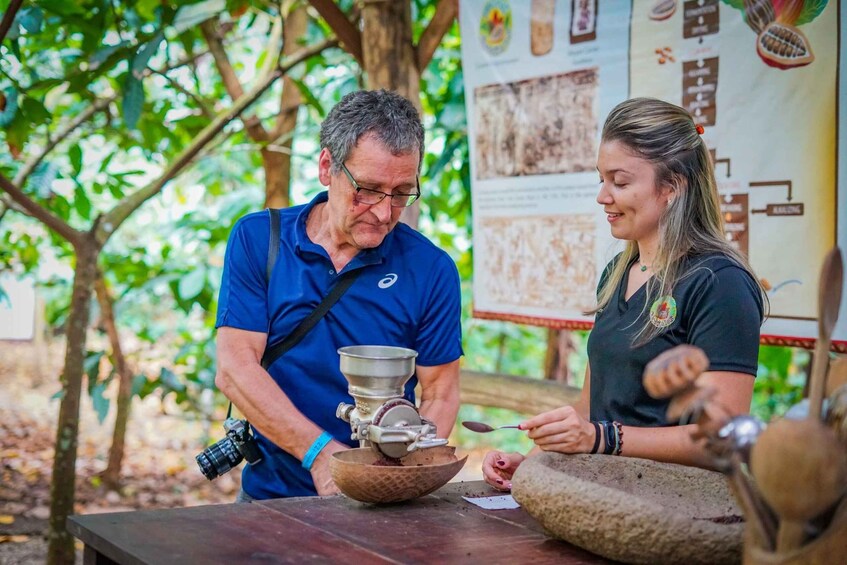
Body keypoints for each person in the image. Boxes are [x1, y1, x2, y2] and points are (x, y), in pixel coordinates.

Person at [483, 97, 766, 490]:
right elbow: (590, 406)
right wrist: (530, 463)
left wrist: (603, 438)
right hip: (600, 493)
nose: (603, 196)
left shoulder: (721, 283)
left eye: (620, 182)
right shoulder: (618, 273)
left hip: (676, 509)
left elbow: (722, 438)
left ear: (672, 187)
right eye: (601, 179)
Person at [215, 89, 463, 500]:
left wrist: (394, 472)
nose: (384, 213)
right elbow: (235, 368)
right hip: (272, 495)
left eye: (402, 193)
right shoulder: (259, 239)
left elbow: (440, 391)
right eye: (366, 189)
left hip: (382, 502)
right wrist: (320, 456)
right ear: (327, 167)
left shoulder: (431, 269)